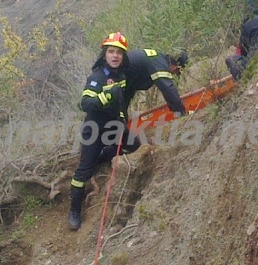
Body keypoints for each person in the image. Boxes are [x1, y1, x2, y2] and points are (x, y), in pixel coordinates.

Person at [68, 32, 140, 230]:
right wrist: (105, 96)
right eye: (111, 52)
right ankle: (74, 210)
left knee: (133, 144)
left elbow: (121, 102)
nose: (115, 56)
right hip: (94, 129)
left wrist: (123, 118)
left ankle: (102, 156)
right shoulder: (97, 77)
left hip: (113, 125)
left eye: (119, 52)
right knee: (83, 172)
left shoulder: (122, 76)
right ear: (104, 54)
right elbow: (85, 103)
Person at [124, 48, 188, 117]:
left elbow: (128, 90)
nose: (173, 74)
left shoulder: (156, 58)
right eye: (176, 72)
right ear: (176, 67)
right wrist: (181, 111)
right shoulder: (159, 63)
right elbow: (168, 89)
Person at [225, 13, 258, 80]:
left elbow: (241, 52)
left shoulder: (248, 24)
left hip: (257, 63)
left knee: (230, 59)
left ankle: (242, 82)